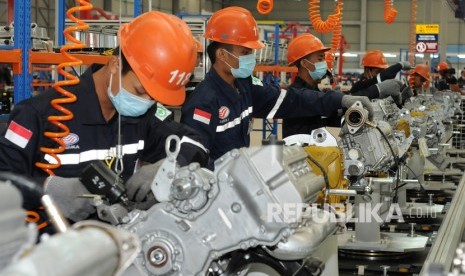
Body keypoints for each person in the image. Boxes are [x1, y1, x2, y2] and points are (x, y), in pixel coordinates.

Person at [0, 11, 208, 222]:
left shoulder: (145, 115)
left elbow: (197, 143)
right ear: (115, 65)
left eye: (154, 97)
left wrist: (169, 165)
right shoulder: (40, 113)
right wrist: (47, 190)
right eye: (139, 90)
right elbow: (4, 178)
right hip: (53, 245)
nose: (146, 101)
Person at [180, 7, 373, 166]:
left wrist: (340, 99)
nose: (251, 58)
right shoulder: (203, 102)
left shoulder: (245, 87)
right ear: (222, 55)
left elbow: (292, 100)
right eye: (245, 52)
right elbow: (194, 163)